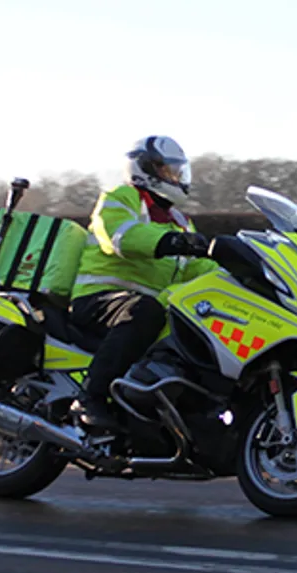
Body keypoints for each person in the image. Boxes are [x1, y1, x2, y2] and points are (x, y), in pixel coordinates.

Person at [68, 135, 219, 432]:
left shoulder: (179, 220)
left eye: (177, 171)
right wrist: (170, 241)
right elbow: (120, 235)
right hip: (99, 297)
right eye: (167, 171)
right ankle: (90, 398)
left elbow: (195, 268)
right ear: (145, 169)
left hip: (144, 305)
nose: (175, 177)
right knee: (145, 311)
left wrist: (235, 272)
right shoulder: (123, 197)